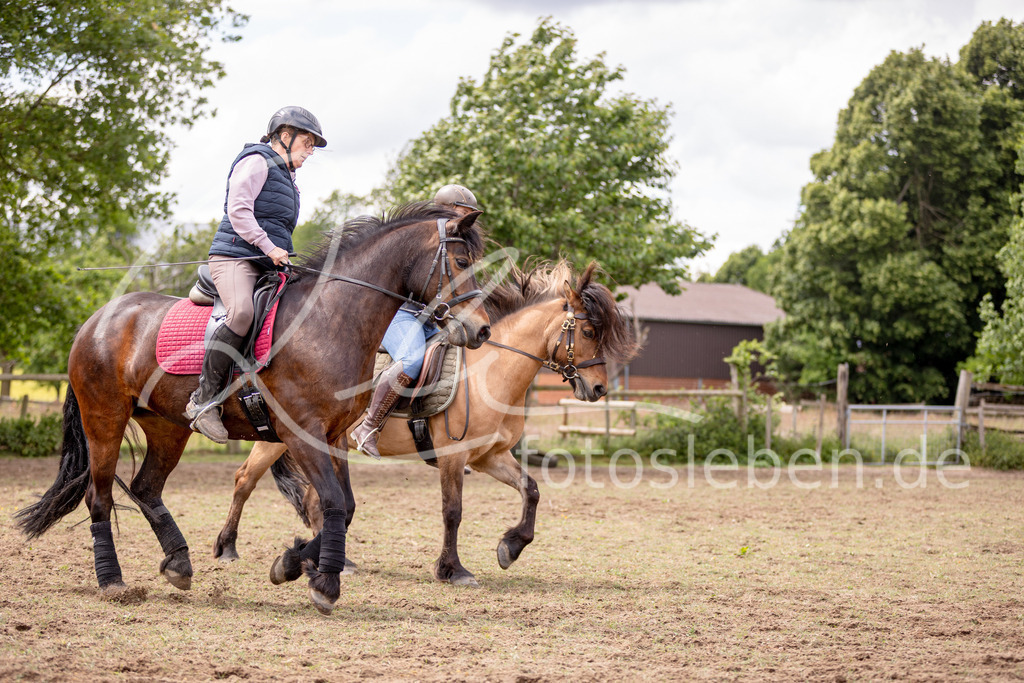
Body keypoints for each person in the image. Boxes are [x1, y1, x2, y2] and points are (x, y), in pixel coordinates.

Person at [185, 106, 327, 444]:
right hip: (234, 257)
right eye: (307, 143)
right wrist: (269, 247)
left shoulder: (289, 180)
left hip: (266, 262)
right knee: (242, 314)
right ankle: (202, 401)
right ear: (284, 135)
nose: (309, 152)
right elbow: (238, 211)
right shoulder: (256, 161)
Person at [351, 184, 480, 458]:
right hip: (400, 313)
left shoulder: (453, 244)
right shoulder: (420, 238)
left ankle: (428, 440)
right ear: (446, 209)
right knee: (411, 360)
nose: (465, 219)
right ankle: (368, 426)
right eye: (462, 212)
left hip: (430, 318)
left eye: (468, 214)